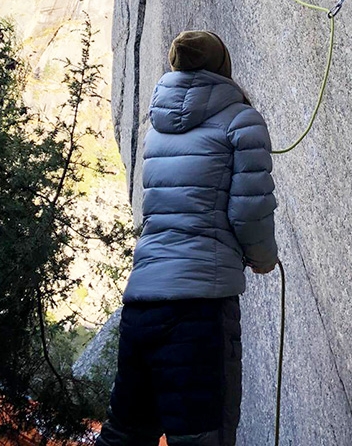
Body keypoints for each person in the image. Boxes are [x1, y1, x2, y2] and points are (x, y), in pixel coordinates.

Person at [96, 31, 278, 446]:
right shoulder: (241, 120)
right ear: (222, 66)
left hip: (141, 305)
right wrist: (263, 257)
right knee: (201, 437)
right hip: (200, 310)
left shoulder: (156, 130)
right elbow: (248, 208)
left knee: (125, 434)